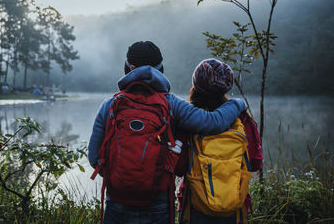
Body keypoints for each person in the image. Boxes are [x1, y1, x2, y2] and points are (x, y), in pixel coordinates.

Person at [88, 41, 247, 224]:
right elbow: (213, 122)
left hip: (117, 202)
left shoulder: (110, 105)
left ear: (129, 68)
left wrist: (122, 179)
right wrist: (237, 103)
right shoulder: (172, 104)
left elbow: (94, 157)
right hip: (158, 202)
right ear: (160, 70)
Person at [178, 58, 263, 224]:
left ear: (196, 85)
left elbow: (179, 167)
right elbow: (255, 163)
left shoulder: (189, 120)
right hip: (235, 207)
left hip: (195, 206)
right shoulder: (243, 120)